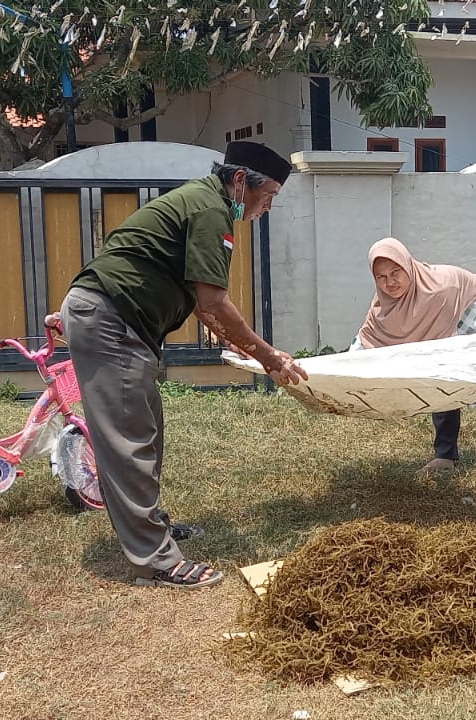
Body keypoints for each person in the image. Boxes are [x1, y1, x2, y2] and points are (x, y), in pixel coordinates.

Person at [58, 141, 308, 590]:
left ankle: (150, 529)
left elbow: (196, 299)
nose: (267, 206)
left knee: (144, 430)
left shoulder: (202, 201)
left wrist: (247, 343)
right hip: (113, 321)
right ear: (239, 181)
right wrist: (268, 357)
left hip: (115, 319)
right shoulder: (212, 210)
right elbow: (212, 301)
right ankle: (154, 561)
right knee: (129, 442)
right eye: (267, 194)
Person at [350, 238, 476, 484]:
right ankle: (445, 455)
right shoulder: (382, 307)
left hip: (473, 309)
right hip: (448, 323)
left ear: (408, 266)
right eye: (381, 277)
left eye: (395, 272)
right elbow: (365, 342)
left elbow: (441, 342)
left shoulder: (438, 290)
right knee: (440, 381)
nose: (390, 282)